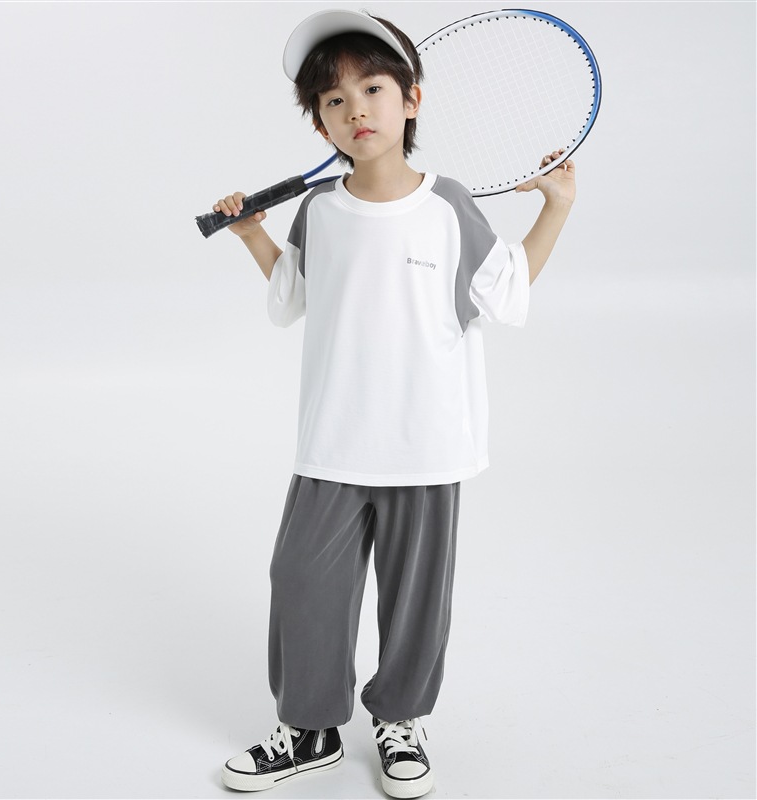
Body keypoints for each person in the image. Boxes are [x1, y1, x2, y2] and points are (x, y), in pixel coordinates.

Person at [214, 9, 575, 799]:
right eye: (334, 101)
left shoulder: (449, 206)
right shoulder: (319, 211)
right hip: (334, 442)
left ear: (411, 99)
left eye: (372, 89)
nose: (357, 111)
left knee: (416, 601)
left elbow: (507, 294)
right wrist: (251, 237)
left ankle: (400, 720)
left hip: (427, 444)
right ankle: (310, 729)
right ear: (321, 125)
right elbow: (291, 299)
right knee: (301, 579)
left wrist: (556, 207)